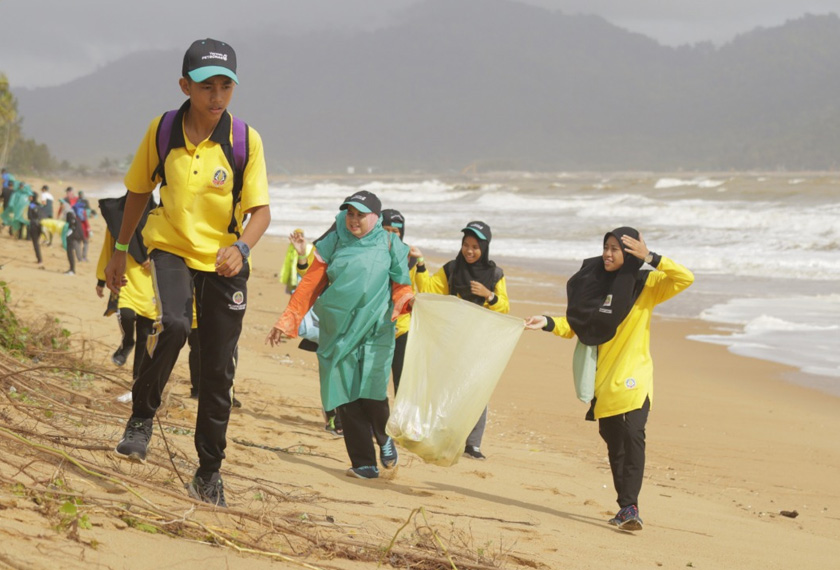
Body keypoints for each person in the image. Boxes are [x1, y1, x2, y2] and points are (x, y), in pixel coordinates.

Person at [104, 38, 271, 507]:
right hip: (171, 247)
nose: (216, 97)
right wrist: (119, 250)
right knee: (174, 325)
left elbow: (260, 213)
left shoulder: (244, 140)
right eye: (206, 87)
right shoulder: (163, 131)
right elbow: (139, 191)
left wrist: (241, 247)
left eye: (225, 86)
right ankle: (141, 416)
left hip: (224, 262)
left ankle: (208, 472)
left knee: (217, 371)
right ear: (185, 85)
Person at [524, 227, 694, 531]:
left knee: (633, 436)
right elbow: (579, 326)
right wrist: (548, 322)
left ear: (630, 253)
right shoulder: (593, 284)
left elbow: (685, 278)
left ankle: (631, 506)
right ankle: (626, 507)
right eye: (606, 247)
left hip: (634, 377)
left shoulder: (646, 284)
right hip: (603, 382)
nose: (608, 253)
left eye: (616, 249)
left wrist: (652, 258)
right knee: (615, 444)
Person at [266, 191, 413, 480]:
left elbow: (401, 285)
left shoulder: (388, 242)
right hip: (338, 329)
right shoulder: (333, 241)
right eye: (350, 213)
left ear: (375, 217)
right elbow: (310, 284)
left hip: (375, 329)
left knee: (371, 391)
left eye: (361, 214)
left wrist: (407, 301)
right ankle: (363, 464)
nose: (354, 220)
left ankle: (383, 439)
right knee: (345, 395)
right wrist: (288, 320)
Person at [412, 221, 508, 460]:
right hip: (452, 339)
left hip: (479, 341)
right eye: (466, 245)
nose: (469, 251)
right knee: (447, 387)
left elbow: (504, 308)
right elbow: (430, 290)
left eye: (475, 246)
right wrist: (421, 263)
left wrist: (489, 295)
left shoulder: (495, 274)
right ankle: (445, 436)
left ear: (484, 247)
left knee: (477, 391)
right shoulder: (452, 269)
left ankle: (473, 444)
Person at [97, 194, 157, 379]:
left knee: (146, 332)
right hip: (126, 279)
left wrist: (154, 259)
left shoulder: (157, 220)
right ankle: (127, 342)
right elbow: (108, 248)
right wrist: (101, 279)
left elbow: (169, 247)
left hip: (150, 282)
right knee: (126, 314)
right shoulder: (118, 222)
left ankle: (137, 378)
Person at [380, 209, 421, 394]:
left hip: (402, 329)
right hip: (375, 327)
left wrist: (421, 263)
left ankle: (400, 421)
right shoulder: (370, 255)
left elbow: (424, 289)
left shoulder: (411, 259)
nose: (390, 234)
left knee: (401, 381)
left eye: (395, 231)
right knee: (375, 381)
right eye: (385, 229)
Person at [279, 229, 312, 294]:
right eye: (295, 235)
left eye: (299, 235)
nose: (298, 238)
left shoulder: (309, 247)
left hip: (302, 275)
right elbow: (288, 262)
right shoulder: (292, 247)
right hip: (293, 274)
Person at [26, 193, 44, 268]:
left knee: (35, 243)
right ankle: (39, 259)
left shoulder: (31, 205)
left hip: (34, 225)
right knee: (37, 243)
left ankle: (39, 259)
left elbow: (29, 216)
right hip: (40, 225)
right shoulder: (39, 205)